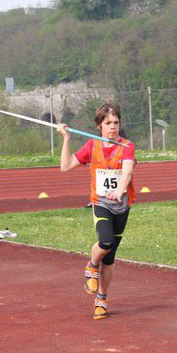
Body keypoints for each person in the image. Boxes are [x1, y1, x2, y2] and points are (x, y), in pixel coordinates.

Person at [57, 102, 136, 320]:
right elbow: (65, 167)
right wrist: (65, 138)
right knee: (106, 241)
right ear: (99, 126)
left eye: (116, 123)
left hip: (122, 205)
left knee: (109, 259)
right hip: (101, 203)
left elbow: (127, 172)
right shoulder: (93, 146)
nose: (113, 127)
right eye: (108, 123)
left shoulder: (127, 146)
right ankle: (91, 266)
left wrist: (120, 190)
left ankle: (101, 299)